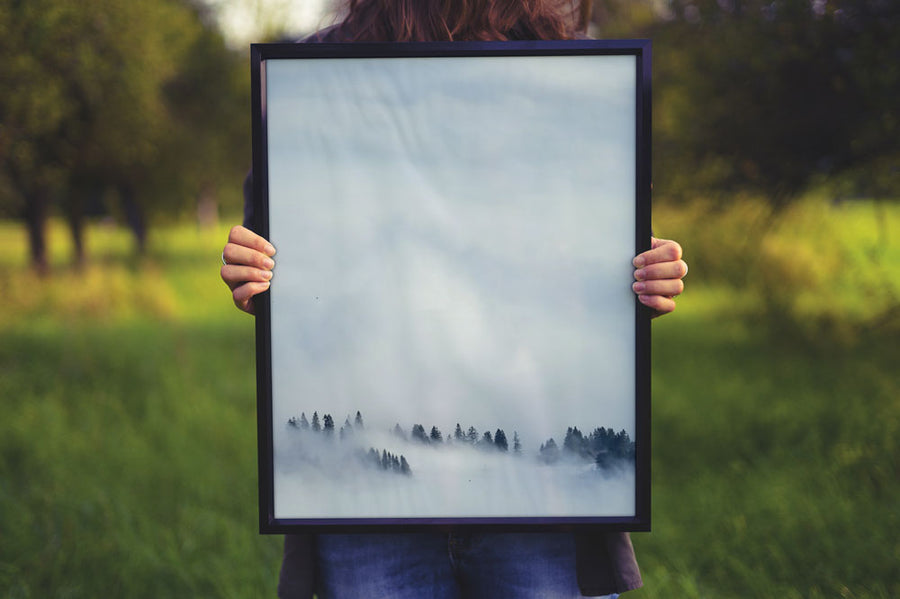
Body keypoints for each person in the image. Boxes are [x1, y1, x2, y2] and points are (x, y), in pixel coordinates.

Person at [221, 1, 687, 597]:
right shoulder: (314, 76)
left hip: (541, 490)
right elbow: (281, 262)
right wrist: (254, 275)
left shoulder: (567, 70)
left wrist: (643, 276)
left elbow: (590, 252)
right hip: (366, 496)